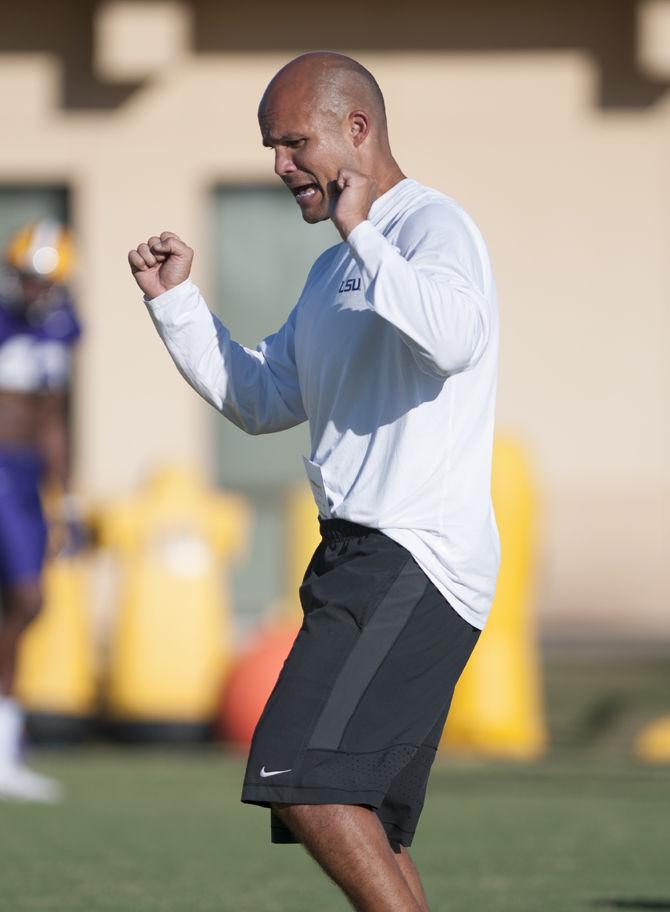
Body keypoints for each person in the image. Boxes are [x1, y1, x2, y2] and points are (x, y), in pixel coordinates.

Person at [129, 51, 500, 912]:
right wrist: (176, 304)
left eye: (294, 143)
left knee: (305, 780)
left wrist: (361, 229)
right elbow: (262, 400)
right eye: (271, 147)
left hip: (414, 554)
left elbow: (453, 339)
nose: (279, 166)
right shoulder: (331, 270)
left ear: (356, 131)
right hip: (358, 559)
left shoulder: (432, 228)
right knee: (357, 812)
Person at [0, 218, 81, 802]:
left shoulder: (61, 328)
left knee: (27, 605)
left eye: (43, 280)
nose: (35, 290)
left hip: (26, 478)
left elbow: (53, 418)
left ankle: (5, 747)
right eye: (27, 278)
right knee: (25, 597)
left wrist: (67, 496)